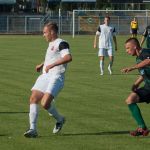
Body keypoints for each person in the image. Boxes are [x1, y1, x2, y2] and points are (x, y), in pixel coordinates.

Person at [24, 22, 72, 138]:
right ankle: (33, 129)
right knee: (33, 98)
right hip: (45, 75)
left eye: (45, 32)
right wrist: (42, 64)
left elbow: (68, 57)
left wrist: (52, 65)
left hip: (56, 76)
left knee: (45, 104)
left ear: (52, 32)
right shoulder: (51, 44)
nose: (43, 35)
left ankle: (60, 119)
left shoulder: (62, 43)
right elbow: (51, 57)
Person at [121, 37, 150, 136]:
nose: (127, 51)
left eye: (128, 48)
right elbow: (143, 73)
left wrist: (132, 67)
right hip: (148, 87)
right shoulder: (138, 58)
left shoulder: (146, 52)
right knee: (130, 99)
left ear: (135, 46)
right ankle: (142, 127)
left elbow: (148, 61)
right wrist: (135, 84)